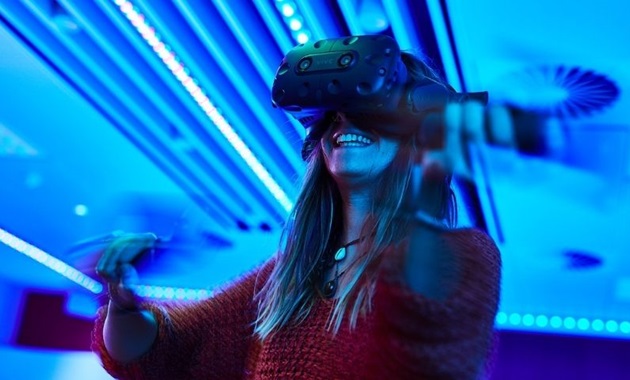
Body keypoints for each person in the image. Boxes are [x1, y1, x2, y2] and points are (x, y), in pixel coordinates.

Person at [92, 44, 508, 379]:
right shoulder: (290, 273)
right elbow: (165, 352)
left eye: (369, 111)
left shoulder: (460, 254)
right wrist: (124, 305)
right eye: (332, 113)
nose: (345, 123)